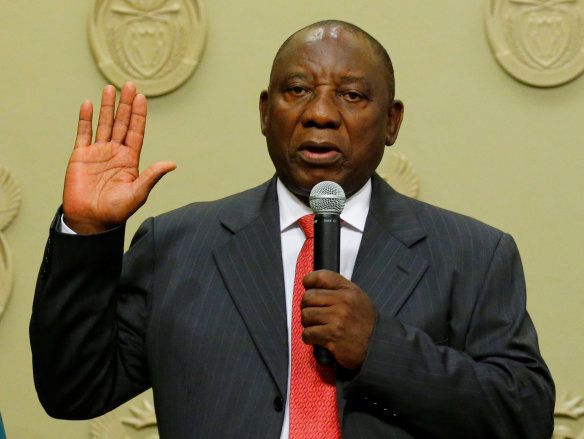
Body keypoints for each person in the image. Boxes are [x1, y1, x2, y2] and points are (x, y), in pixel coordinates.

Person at [30, 20, 555, 438]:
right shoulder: (176, 244)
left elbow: (523, 416)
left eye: (351, 95)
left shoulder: (474, 254)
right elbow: (74, 392)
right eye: (298, 89)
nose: (320, 113)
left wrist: (381, 347)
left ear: (392, 121)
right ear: (265, 112)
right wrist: (86, 231)